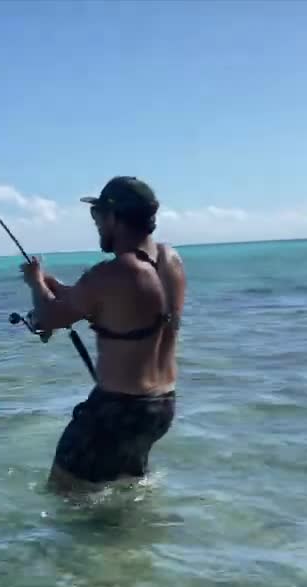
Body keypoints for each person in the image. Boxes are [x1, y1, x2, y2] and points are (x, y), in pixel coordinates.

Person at [19, 176, 186, 494]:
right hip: (159, 408)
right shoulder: (170, 260)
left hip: (115, 411)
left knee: (64, 497)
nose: (95, 224)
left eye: (97, 216)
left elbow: (46, 319)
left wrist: (34, 283)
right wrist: (52, 285)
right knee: (127, 492)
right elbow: (115, 308)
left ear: (114, 218)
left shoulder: (114, 272)